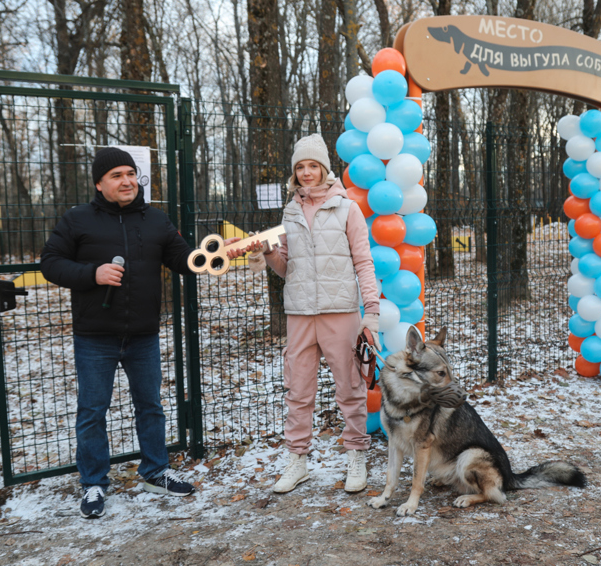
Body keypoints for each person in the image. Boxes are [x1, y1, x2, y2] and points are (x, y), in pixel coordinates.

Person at [41, 147, 195, 519]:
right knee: (93, 411)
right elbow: (50, 263)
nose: (127, 181)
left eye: (130, 173)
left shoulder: (156, 220)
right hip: (95, 335)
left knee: (151, 406)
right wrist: (92, 274)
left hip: (143, 334)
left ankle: (155, 471)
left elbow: (185, 260)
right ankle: (94, 482)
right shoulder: (77, 220)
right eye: (116, 175)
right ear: (99, 183)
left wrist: (224, 253)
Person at [227, 133, 380, 494]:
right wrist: (266, 251)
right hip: (298, 313)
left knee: (350, 387)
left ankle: (356, 454)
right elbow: (286, 269)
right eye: (300, 167)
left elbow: (364, 262)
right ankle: (298, 460)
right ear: (294, 172)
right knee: (297, 390)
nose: (307, 172)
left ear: (324, 168)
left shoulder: (347, 208)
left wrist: (370, 313)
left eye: (313, 165)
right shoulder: (290, 210)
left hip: (339, 312)